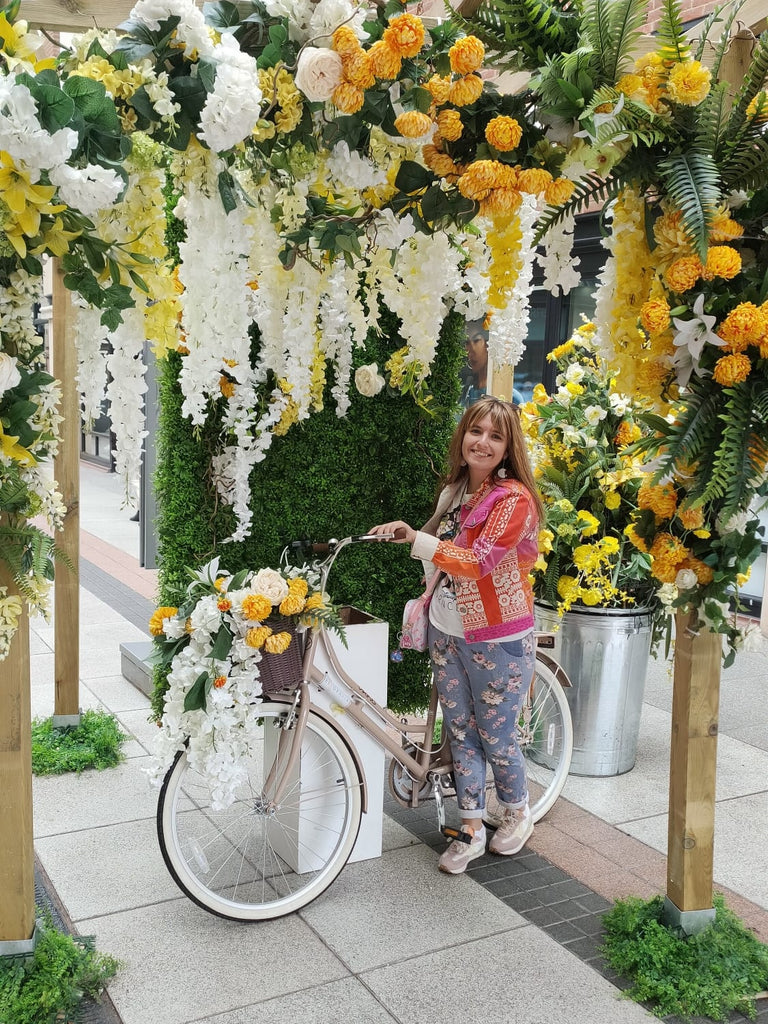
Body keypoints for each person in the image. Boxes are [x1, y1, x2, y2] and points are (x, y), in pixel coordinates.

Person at [370, 396, 544, 874]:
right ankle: (469, 828)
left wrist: (417, 539)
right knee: (461, 731)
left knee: (495, 733)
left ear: (508, 449)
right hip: (449, 630)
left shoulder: (513, 500)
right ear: (463, 435)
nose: (482, 442)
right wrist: (413, 536)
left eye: (495, 436)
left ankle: (518, 808)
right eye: (475, 431)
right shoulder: (455, 492)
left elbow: (480, 562)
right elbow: (439, 556)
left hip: (499, 637)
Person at [459, 331, 489, 407]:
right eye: (467, 342)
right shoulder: (464, 393)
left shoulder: (512, 397)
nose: (472, 350)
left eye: (476, 341)